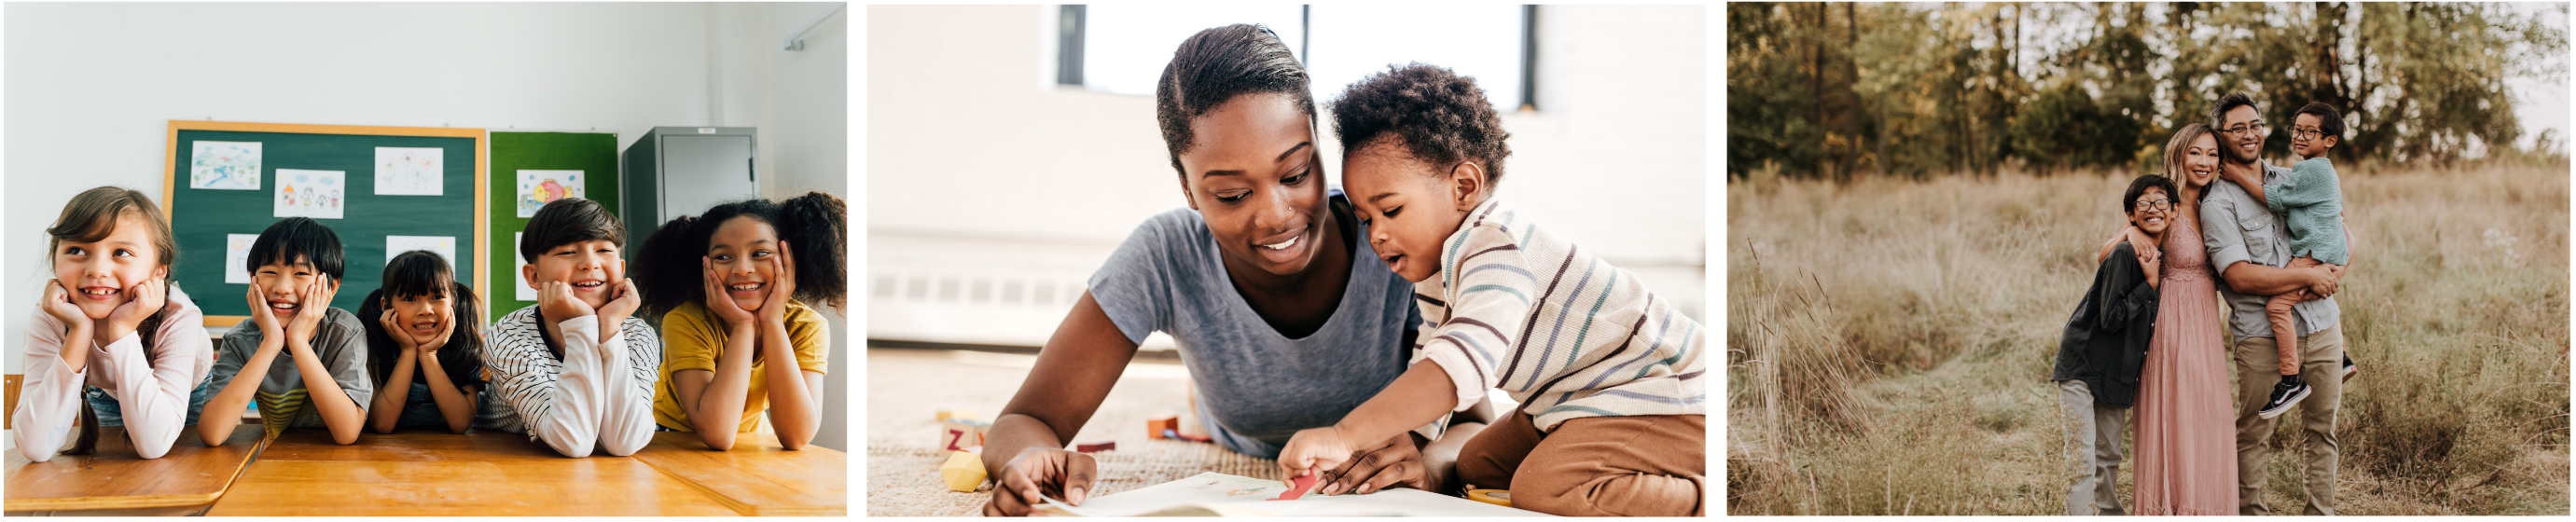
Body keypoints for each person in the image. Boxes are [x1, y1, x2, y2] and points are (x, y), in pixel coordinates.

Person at [979, 24, 1492, 517]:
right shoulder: (1165, 256)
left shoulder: (1398, 242)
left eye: (1295, 173)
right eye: (1232, 194)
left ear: (1318, 148)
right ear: (1188, 191)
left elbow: (1472, 424)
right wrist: (1026, 461)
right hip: (1237, 433)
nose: (1275, 214)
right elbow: (1025, 420)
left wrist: (1430, 463)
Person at [1281, 62, 1708, 516]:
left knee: (1544, 490)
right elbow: (1431, 353)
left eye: (1391, 210)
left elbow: (1459, 364)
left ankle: (1704, 497)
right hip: (1575, 402)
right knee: (1475, 467)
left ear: (1464, 186)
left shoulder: (1495, 246)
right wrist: (1414, 439)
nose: (1377, 235)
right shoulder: (1437, 271)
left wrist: (1346, 435)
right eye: (1367, 219)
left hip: (1661, 398)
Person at [2201, 93, 2356, 515]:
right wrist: (2308, 275)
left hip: (2323, 326)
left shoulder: (2296, 176)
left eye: (2256, 124)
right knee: (2254, 434)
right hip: (2261, 336)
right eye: (2237, 128)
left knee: (2322, 432)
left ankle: (2319, 513)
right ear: (2221, 135)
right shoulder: (2218, 202)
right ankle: (2252, 513)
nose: (2250, 135)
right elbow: (2238, 276)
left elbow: (2341, 233)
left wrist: (2332, 276)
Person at [633, 192, 847, 450]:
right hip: (670, 438)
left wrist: (773, 323)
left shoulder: (806, 325)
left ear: (789, 259)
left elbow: (797, 437)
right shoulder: (685, 320)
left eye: (760, 253)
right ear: (705, 266)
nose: (742, 268)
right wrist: (743, 326)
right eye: (723, 257)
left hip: (750, 439)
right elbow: (717, 434)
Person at [14, 186, 214, 460]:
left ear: (159, 269)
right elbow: (35, 446)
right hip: (104, 390)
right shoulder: (52, 315)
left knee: (181, 469)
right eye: (77, 250)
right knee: (114, 472)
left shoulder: (179, 315)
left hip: (185, 390)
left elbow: (154, 444)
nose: (97, 270)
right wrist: (80, 332)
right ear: (55, 260)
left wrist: (121, 330)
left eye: (120, 252)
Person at [480, 198, 658, 458]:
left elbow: (625, 442)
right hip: (495, 454)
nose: (590, 263)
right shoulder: (510, 334)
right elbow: (572, 441)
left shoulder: (639, 336)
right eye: (567, 252)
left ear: (620, 269)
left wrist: (609, 326)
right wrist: (581, 326)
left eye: (604, 250)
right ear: (534, 276)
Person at [2128, 124, 2241, 515]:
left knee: (2210, 415)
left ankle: (2206, 505)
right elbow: (2107, 250)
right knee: (2176, 412)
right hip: (2170, 320)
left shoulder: (2219, 201)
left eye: (2212, 154)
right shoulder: (2162, 199)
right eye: (2196, 152)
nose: (2205, 162)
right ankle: (2171, 505)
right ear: (2179, 154)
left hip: (2206, 320)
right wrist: (2131, 234)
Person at [2224, 102, 2353, 419]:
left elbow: (2276, 198)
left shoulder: (2310, 169)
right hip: (2327, 249)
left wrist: (2236, 175)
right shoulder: (2321, 170)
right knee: (2303, 295)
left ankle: (2291, 379)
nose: (2300, 136)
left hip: (2313, 253)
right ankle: (2342, 356)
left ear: (2330, 140)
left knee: (2277, 306)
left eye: (2310, 132)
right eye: (2296, 129)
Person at [197, 217, 371, 446]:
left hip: (343, 468)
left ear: (332, 286)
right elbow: (212, 433)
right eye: (270, 272)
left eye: (300, 274)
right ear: (253, 279)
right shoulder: (241, 340)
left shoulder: (345, 333)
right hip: (276, 463)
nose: (282, 288)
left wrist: (298, 340)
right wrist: (271, 343)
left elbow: (347, 433)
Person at [2055, 174, 2171, 515]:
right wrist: (2149, 285)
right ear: (2130, 215)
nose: (2153, 208)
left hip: (2119, 369)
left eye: (2161, 201)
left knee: (2109, 456)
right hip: (2083, 362)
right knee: (2082, 454)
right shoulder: (2124, 253)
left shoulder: (2161, 253)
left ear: (2175, 210)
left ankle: (2108, 514)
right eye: (2143, 203)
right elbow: (2111, 317)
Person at [356, 250, 487, 433]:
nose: (426, 310)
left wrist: (428, 354)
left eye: (437, 297)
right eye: (410, 298)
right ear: (386, 306)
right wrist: (408, 350)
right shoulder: (374, 344)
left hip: (449, 456)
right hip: (387, 456)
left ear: (453, 302)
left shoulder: (463, 345)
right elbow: (382, 424)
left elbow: (461, 423)